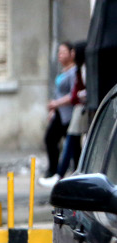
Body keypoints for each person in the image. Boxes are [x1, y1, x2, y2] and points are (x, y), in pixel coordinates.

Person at [40, 41, 87, 187]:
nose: (60, 55)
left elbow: (74, 94)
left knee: (70, 143)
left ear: (73, 54)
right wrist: (53, 109)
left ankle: (60, 174)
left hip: (70, 113)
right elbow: (58, 92)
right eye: (59, 52)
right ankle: (61, 173)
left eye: (63, 52)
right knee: (70, 144)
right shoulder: (64, 71)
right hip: (60, 113)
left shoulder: (76, 71)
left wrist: (57, 104)